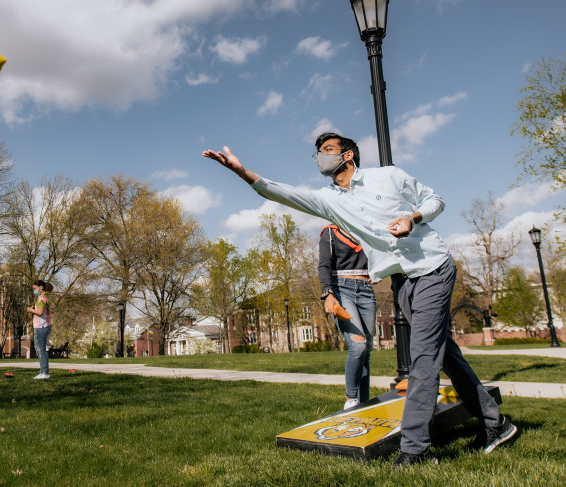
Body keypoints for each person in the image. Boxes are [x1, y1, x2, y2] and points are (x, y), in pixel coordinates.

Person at [202, 133, 516, 467]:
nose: (320, 157)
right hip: (401, 279)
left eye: (327, 151)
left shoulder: (388, 176)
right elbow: (279, 192)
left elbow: (434, 199)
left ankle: (415, 450)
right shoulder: (328, 201)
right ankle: (496, 425)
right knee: (445, 356)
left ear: (347, 155)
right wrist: (241, 172)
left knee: (423, 356)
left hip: (432, 266)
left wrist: (414, 218)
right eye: (318, 153)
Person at [319, 224, 376, 410]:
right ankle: (351, 400)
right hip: (340, 289)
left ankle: (364, 404)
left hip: (366, 290)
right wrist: (327, 293)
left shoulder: (367, 228)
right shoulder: (330, 232)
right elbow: (324, 264)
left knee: (366, 351)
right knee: (358, 346)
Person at [27, 280, 53, 380]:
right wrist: (35, 308)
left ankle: (45, 372)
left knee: (40, 349)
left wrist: (31, 310)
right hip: (44, 325)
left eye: (35, 288)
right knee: (40, 349)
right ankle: (43, 372)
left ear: (40, 287)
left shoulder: (41, 297)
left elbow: (40, 313)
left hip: (41, 326)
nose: (34, 291)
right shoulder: (46, 297)